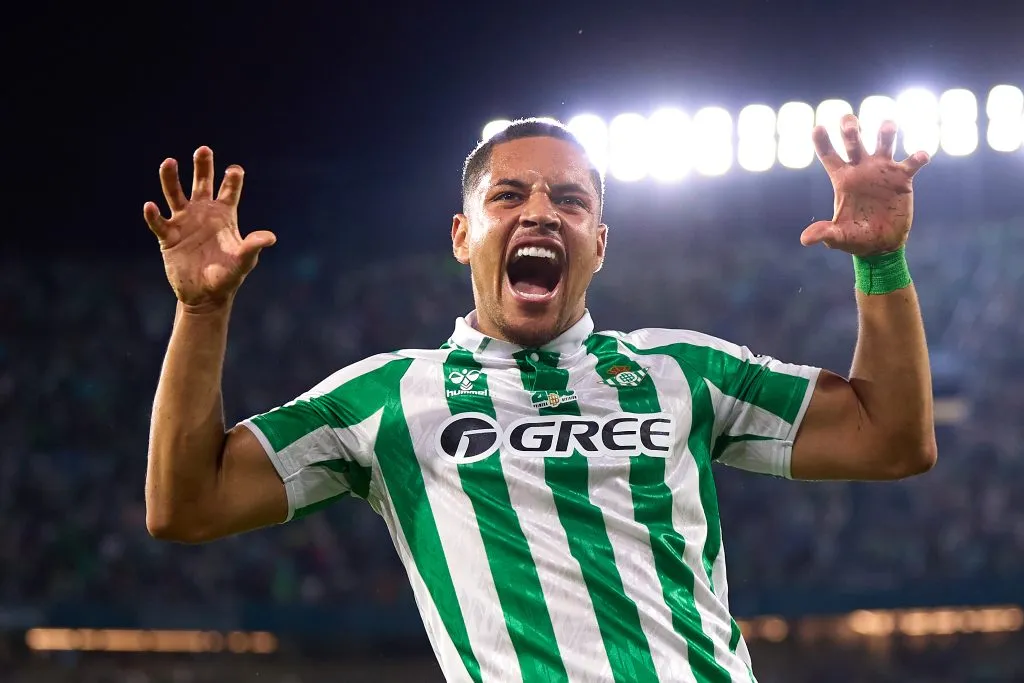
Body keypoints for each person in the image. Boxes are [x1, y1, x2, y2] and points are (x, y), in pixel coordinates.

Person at [143, 115, 937, 682]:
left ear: (599, 241)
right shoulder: (385, 398)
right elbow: (188, 503)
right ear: (462, 236)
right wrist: (202, 312)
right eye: (509, 195)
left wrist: (883, 267)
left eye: (570, 200)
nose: (540, 212)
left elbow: (890, 438)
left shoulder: (683, 370)